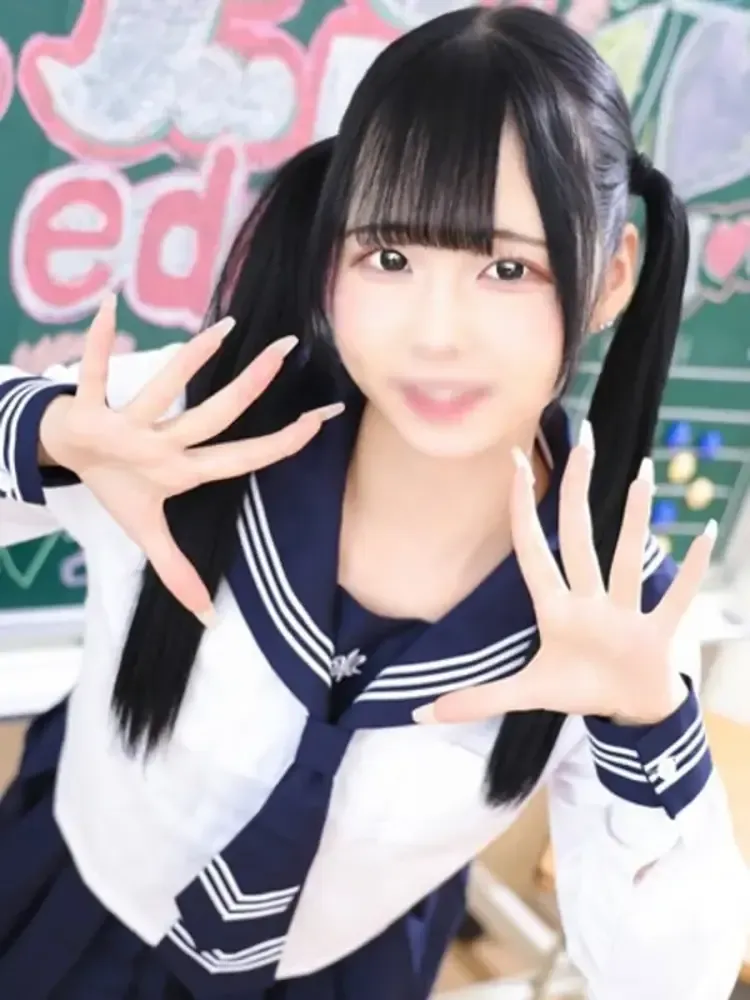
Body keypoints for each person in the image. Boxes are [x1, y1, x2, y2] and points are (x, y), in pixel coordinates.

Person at [0, 6, 747, 999]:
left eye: (507, 268)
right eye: (390, 258)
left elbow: (672, 980)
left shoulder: (610, 610)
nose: (436, 334)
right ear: (331, 250)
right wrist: (46, 438)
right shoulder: (194, 424)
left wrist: (646, 726)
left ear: (610, 278)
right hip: (65, 908)